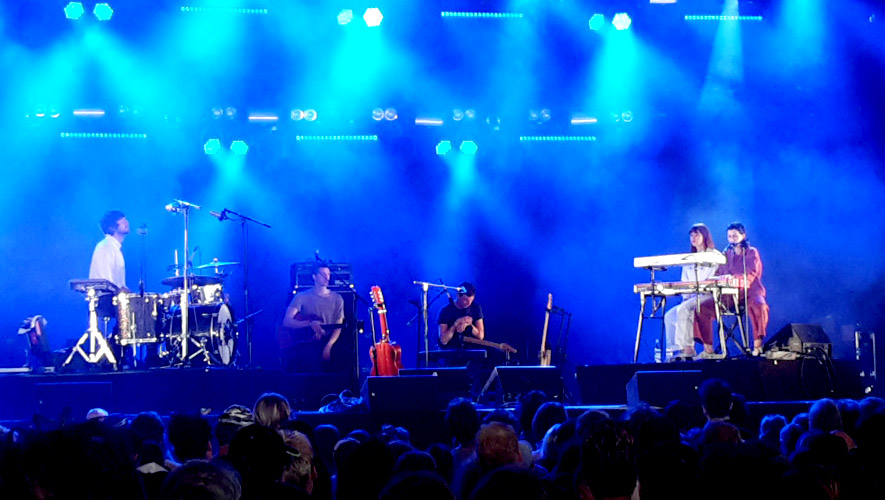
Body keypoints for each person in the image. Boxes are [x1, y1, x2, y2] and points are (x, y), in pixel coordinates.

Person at [697, 222, 769, 356]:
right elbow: (719, 273)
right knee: (701, 308)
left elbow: (752, 273)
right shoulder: (726, 254)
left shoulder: (751, 252)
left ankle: (758, 346)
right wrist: (717, 279)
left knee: (760, 306)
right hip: (729, 296)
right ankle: (708, 350)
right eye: (729, 236)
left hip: (749, 293)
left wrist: (735, 279)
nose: (732, 239)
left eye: (735, 236)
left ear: (743, 236)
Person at [663, 223, 719, 360]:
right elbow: (684, 282)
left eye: (697, 234)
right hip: (692, 297)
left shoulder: (714, 255)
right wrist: (686, 296)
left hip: (708, 296)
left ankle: (687, 348)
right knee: (669, 316)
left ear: (704, 236)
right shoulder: (689, 258)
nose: (693, 238)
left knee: (683, 309)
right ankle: (673, 350)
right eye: (691, 235)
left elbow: (713, 279)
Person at [280, 262, 344, 372]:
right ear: (314, 276)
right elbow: (286, 321)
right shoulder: (301, 297)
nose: (327, 277)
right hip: (306, 344)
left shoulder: (337, 298)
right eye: (323, 274)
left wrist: (328, 346)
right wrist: (309, 324)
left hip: (329, 342)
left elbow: (339, 325)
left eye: (328, 274)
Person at [89, 210, 129, 290]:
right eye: (121, 220)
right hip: (106, 300)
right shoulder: (106, 247)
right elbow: (104, 282)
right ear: (112, 227)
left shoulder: (115, 248)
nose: (126, 222)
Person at [438, 282, 484, 349]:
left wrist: (469, 325)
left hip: (471, 351)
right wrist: (455, 325)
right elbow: (444, 340)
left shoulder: (475, 308)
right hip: (451, 351)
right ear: (458, 295)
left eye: (471, 300)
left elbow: (481, 336)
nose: (468, 303)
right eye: (465, 300)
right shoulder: (445, 311)